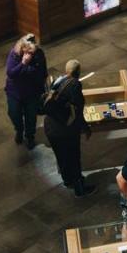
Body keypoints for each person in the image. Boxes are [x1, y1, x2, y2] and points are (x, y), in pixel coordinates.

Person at [44, 59, 96, 197]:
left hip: (50, 126)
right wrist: (85, 128)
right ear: (78, 72)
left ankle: (67, 180)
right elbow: (77, 111)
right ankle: (79, 188)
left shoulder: (57, 81)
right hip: (65, 130)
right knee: (73, 157)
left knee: (61, 156)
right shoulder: (75, 85)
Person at [4, 33, 49, 149]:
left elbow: (42, 72)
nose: (30, 54)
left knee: (31, 117)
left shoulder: (38, 54)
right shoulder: (14, 54)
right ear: (22, 48)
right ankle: (19, 129)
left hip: (32, 93)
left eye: (32, 52)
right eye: (28, 51)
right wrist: (23, 64)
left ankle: (30, 136)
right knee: (13, 113)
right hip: (15, 92)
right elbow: (11, 73)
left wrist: (26, 70)